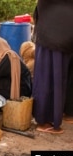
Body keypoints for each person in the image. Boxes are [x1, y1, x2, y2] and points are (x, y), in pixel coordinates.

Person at [32, 0, 73, 134]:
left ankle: (66, 113)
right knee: (50, 78)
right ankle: (44, 121)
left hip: (59, 36)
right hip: (54, 38)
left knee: (60, 77)